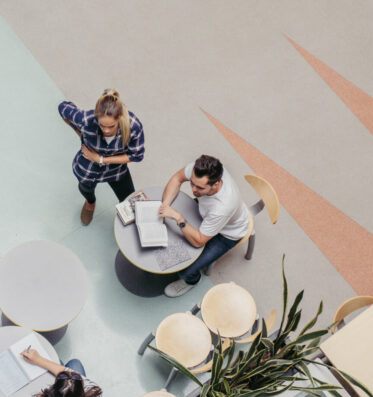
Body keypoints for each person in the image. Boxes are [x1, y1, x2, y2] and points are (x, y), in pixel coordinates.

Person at [158, 155, 250, 297]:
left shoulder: (222, 207)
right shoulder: (203, 169)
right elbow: (177, 178)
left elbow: (199, 241)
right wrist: (165, 206)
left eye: (199, 187)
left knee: (185, 268)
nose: (193, 190)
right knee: (173, 236)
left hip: (227, 234)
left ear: (216, 184)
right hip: (208, 214)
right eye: (192, 183)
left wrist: (178, 217)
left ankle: (192, 280)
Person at [58, 89, 146, 226]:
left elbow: (137, 155)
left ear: (120, 117)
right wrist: (79, 133)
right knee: (86, 189)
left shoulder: (133, 125)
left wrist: (101, 159)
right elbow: (62, 107)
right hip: (88, 169)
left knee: (128, 199)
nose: (106, 131)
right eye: (102, 125)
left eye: (111, 126)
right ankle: (90, 203)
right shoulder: (86, 119)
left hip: (117, 171)